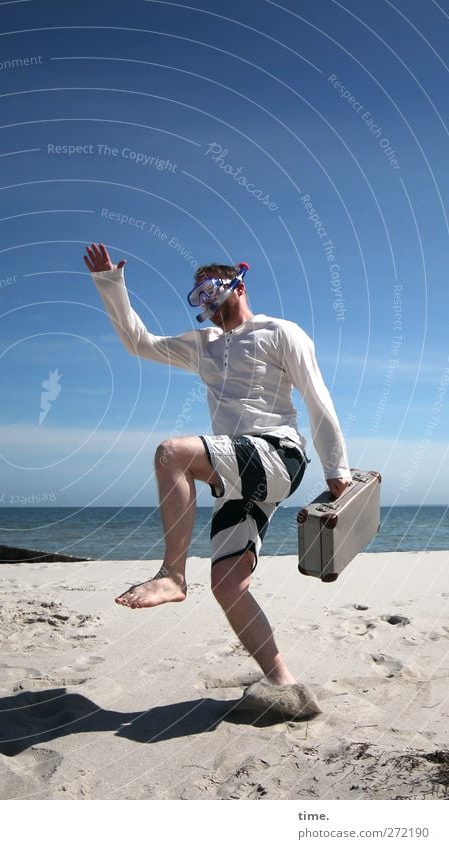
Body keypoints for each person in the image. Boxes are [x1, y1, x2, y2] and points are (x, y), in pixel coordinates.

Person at [84, 243, 352, 719]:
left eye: (213, 290)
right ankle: (285, 685)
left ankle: (171, 574)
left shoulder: (279, 332)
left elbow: (317, 398)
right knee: (228, 584)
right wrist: (110, 284)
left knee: (172, 453)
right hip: (235, 474)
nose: (206, 302)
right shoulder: (202, 345)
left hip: (277, 452)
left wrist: (337, 471)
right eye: (198, 294)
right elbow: (138, 342)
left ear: (238, 286)